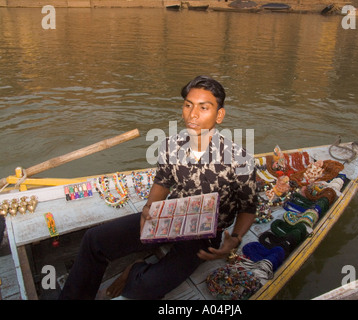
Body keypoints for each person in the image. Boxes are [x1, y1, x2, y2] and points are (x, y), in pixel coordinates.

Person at [59, 75, 258, 300]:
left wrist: (235, 238)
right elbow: (163, 180)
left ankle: (135, 270)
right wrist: (149, 208)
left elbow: (248, 207)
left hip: (204, 232)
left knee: (143, 288)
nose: (193, 114)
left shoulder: (240, 159)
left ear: (219, 115)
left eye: (204, 108)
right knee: (94, 240)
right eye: (188, 105)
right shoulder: (171, 145)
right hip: (169, 215)